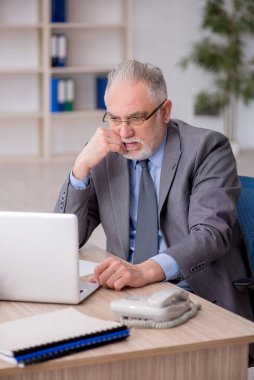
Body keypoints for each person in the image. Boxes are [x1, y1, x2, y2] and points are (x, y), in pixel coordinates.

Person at [54, 59, 252, 321]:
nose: (124, 132)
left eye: (136, 118)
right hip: (124, 293)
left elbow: (210, 235)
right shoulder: (106, 152)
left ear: (165, 111)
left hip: (196, 294)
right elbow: (65, 239)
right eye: (114, 118)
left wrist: (146, 271)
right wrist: (80, 168)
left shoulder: (207, 148)